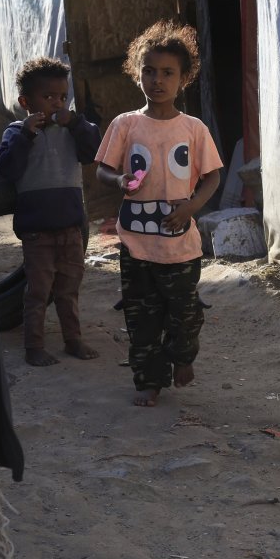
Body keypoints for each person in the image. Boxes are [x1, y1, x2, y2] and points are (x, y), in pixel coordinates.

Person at [94, 20, 223, 407]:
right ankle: (149, 381)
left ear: (183, 79)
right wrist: (119, 182)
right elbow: (103, 168)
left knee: (184, 313)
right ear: (137, 74)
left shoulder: (194, 128)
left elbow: (212, 177)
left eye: (168, 72)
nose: (157, 79)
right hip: (135, 244)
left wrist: (191, 208)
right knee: (141, 317)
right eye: (149, 70)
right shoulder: (126, 124)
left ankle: (182, 357)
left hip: (180, 246)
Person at [0, 57, 102, 367]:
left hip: (70, 229)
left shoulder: (72, 129)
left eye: (61, 97)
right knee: (38, 292)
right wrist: (26, 134)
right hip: (37, 232)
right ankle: (34, 347)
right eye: (48, 97)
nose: (56, 103)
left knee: (68, 291)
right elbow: (6, 168)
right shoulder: (16, 132)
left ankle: (73, 341)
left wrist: (77, 123)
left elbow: (93, 151)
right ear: (26, 102)